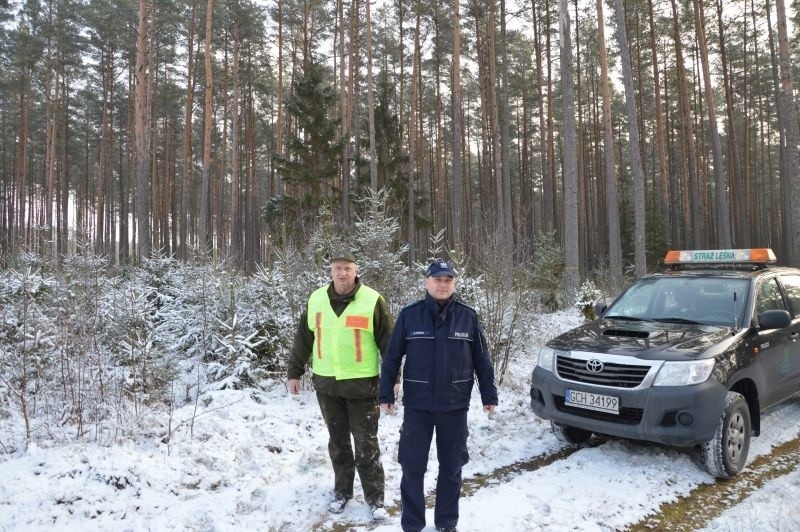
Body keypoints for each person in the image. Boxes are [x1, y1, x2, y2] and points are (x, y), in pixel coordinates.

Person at [378, 259, 498, 532]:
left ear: (454, 283)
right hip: (418, 407)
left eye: (448, 280)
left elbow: (482, 360)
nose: (442, 285)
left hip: (455, 407)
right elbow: (392, 357)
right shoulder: (410, 316)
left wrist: (488, 395)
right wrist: (386, 392)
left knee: (452, 469)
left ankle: (446, 522)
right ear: (426, 282)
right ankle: (412, 524)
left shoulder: (468, 316)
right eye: (437, 279)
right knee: (411, 467)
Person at [287, 252, 393, 521]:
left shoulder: (372, 300)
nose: (342, 273)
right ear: (331, 271)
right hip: (327, 385)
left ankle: (375, 499)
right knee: (338, 443)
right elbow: (303, 338)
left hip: (362, 386)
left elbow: (388, 343)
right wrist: (294, 372)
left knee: (366, 444)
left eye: (347, 268)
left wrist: (393, 380)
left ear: (356, 271)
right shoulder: (317, 299)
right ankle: (342, 493)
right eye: (337, 268)